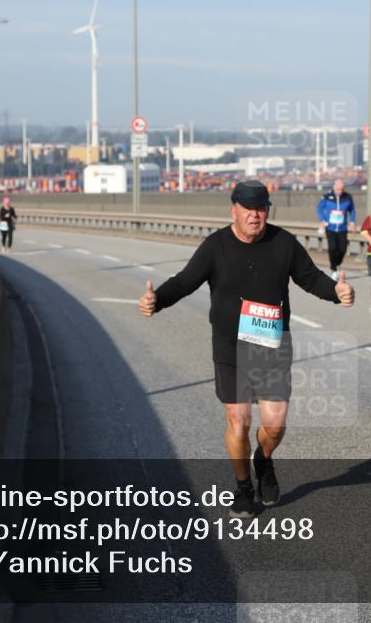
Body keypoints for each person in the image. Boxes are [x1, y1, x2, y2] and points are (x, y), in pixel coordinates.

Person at [139, 180, 355, 519]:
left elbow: (310, 278)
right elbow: (184, 282)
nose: (255, 215)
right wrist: (157, 300)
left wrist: (336, 292)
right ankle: (243, 486)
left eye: (261, 208)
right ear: (233, 210)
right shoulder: (216, 247)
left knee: (275, 424)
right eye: (248, 209)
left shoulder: (283, 243)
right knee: (238, 421)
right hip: (230, 347)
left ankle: (263, 460)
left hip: (271, 345)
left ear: (268, 210)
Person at [315, 179, 356, 279]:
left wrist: (352, 222)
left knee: (342, 249)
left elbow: (352, 210)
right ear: (334, 187)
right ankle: (334, 268)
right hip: (330, 228)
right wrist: (322, 220)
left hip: (342, 228)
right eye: (338, 189)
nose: (340, 191)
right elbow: (319, 209)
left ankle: (337, 264)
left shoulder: (348, 197)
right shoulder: (326, 197)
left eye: (342, 189)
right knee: (332, 248)